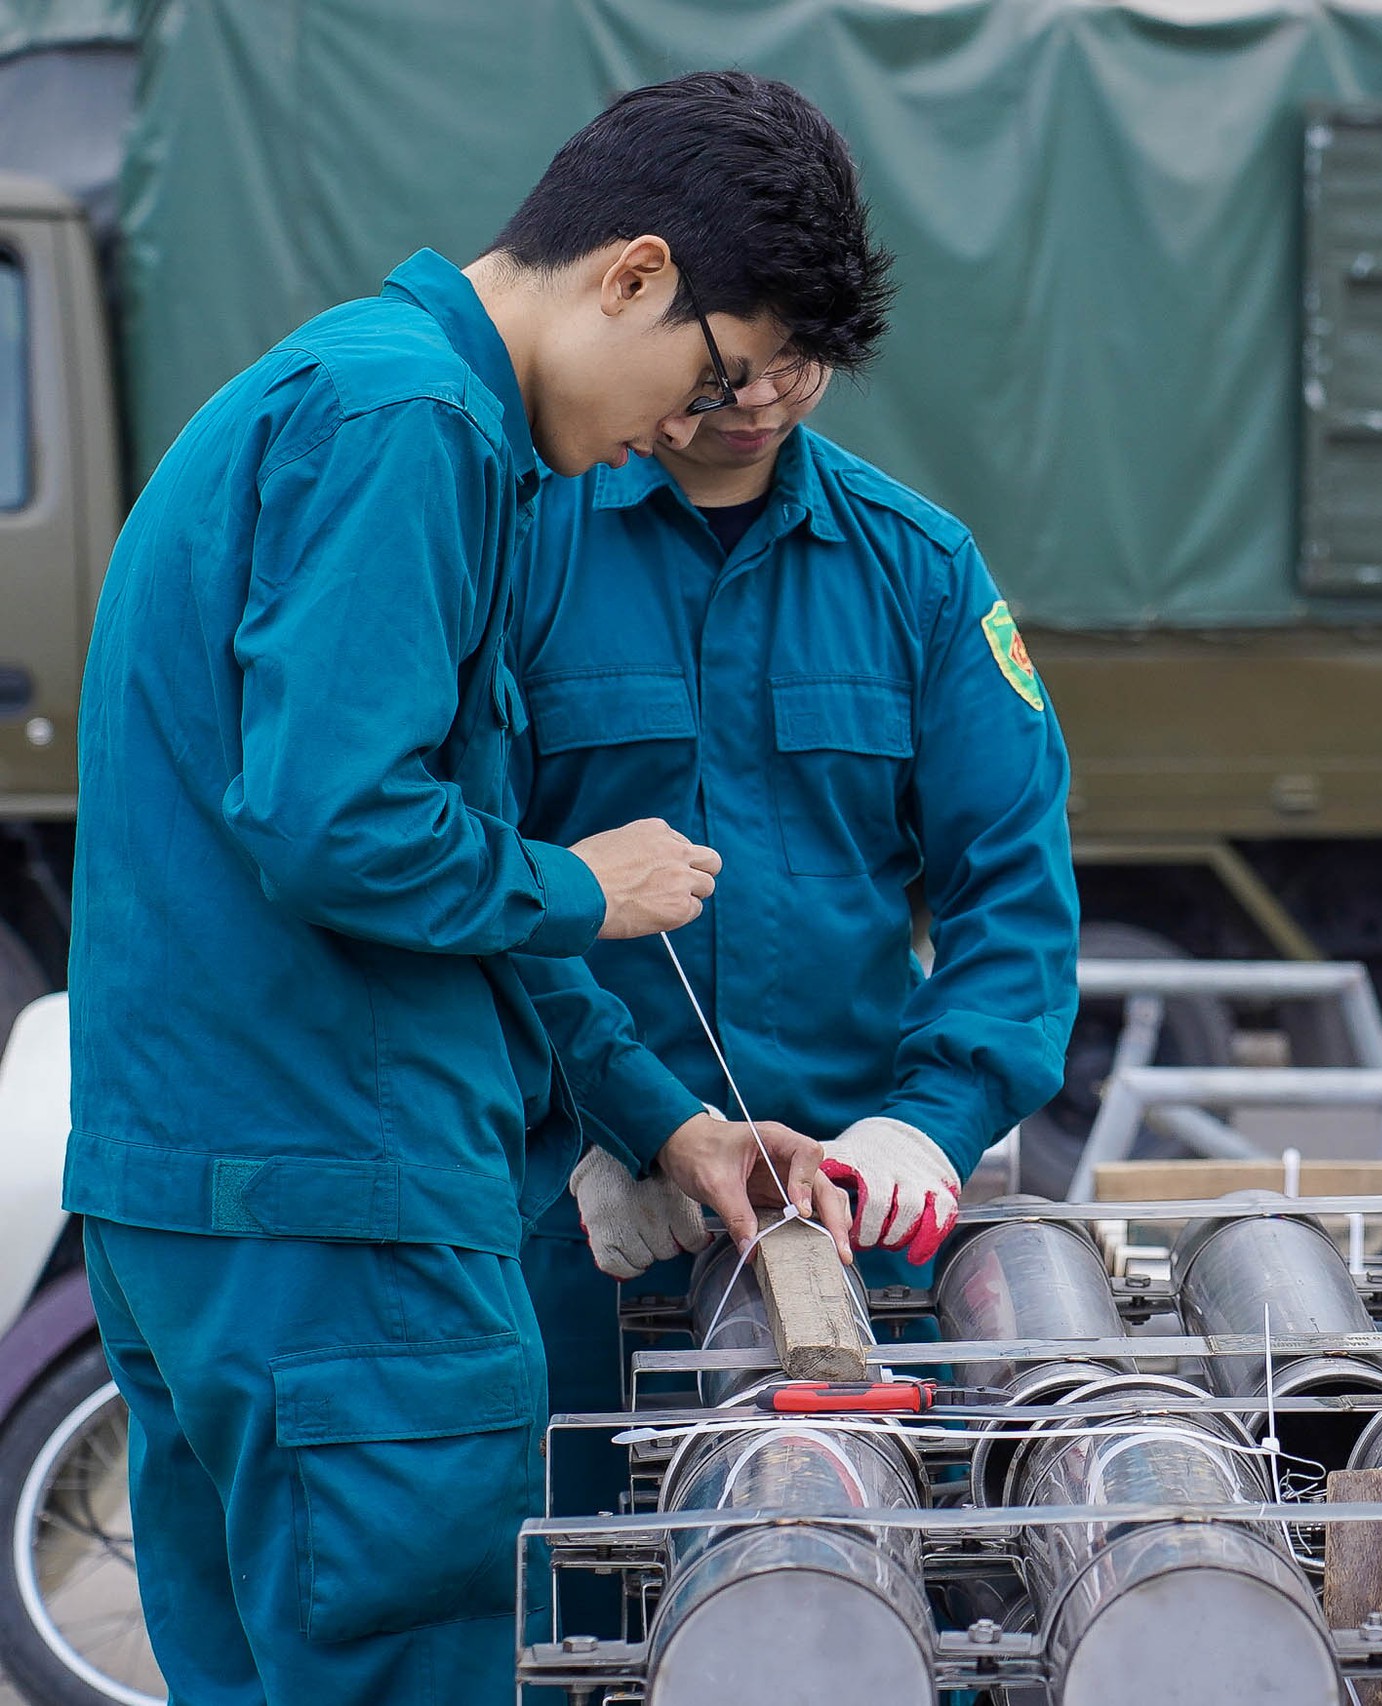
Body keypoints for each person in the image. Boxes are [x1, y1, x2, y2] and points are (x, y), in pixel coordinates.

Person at [66, 72, 884, 1703]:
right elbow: (338, 825)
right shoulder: (410, 423)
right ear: (633, 274)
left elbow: (462, 875)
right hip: (340, 1216)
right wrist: (591, 883)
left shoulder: (395, 411)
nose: (693, 431)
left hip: (239, 1206)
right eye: (712, 379)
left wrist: (670, 1121)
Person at [511, 280, 1078, 1519]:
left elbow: (1013, 892)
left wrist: (930, 1123)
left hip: (849, 1212)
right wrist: (611, 1124)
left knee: (854, 1591)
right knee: (569, 1594)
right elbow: (465, 875)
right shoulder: (521, 548)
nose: (759, 401)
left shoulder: (918, 568)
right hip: (582, 1218)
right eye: (724, 374)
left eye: (798, 364)